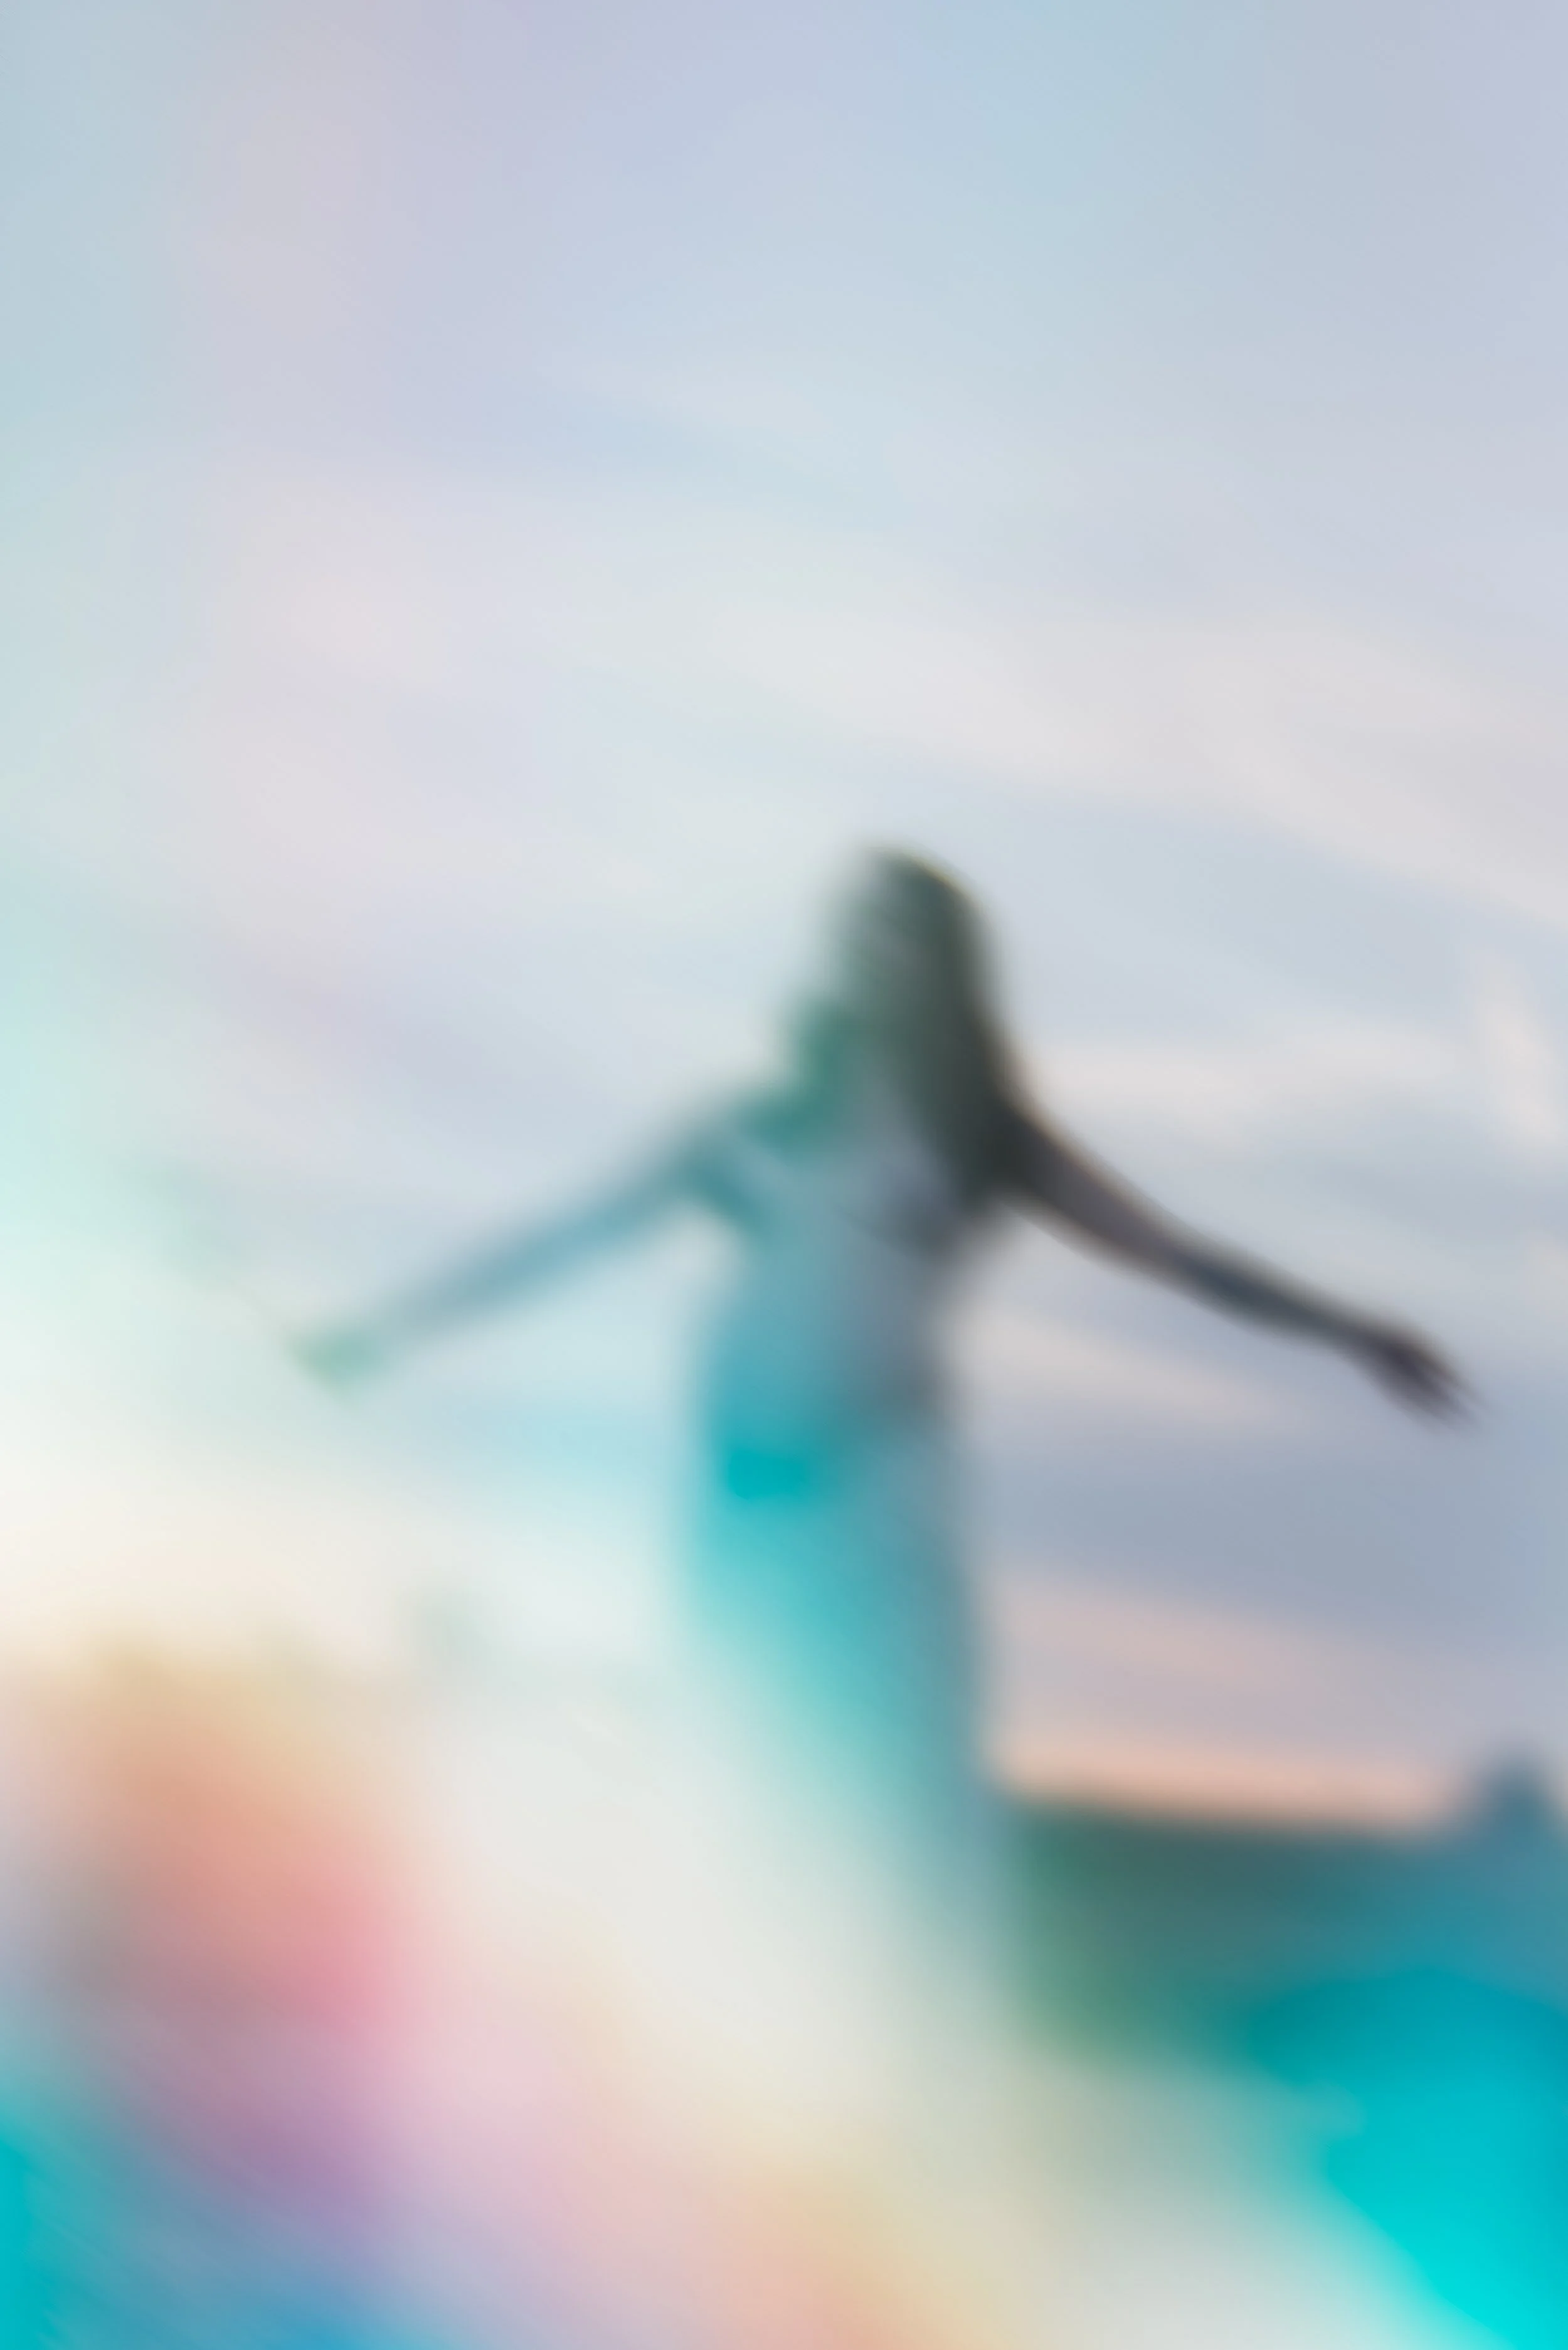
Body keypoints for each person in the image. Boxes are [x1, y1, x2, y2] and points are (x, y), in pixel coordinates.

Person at [299, 851, 1463, 2152]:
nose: (868, 955)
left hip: (876, 1505)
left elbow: (1181, 1259)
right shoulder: (752, 1123)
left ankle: (883, 2125)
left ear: (945, 968)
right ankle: (724, 2113)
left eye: (896, 936)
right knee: (735, 1792)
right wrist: (381, 1332)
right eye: (852, 931)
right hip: (738, 1508)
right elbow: (572, 1234)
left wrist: (1355, 1332)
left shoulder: (981, 1143)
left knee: (879, 1808)